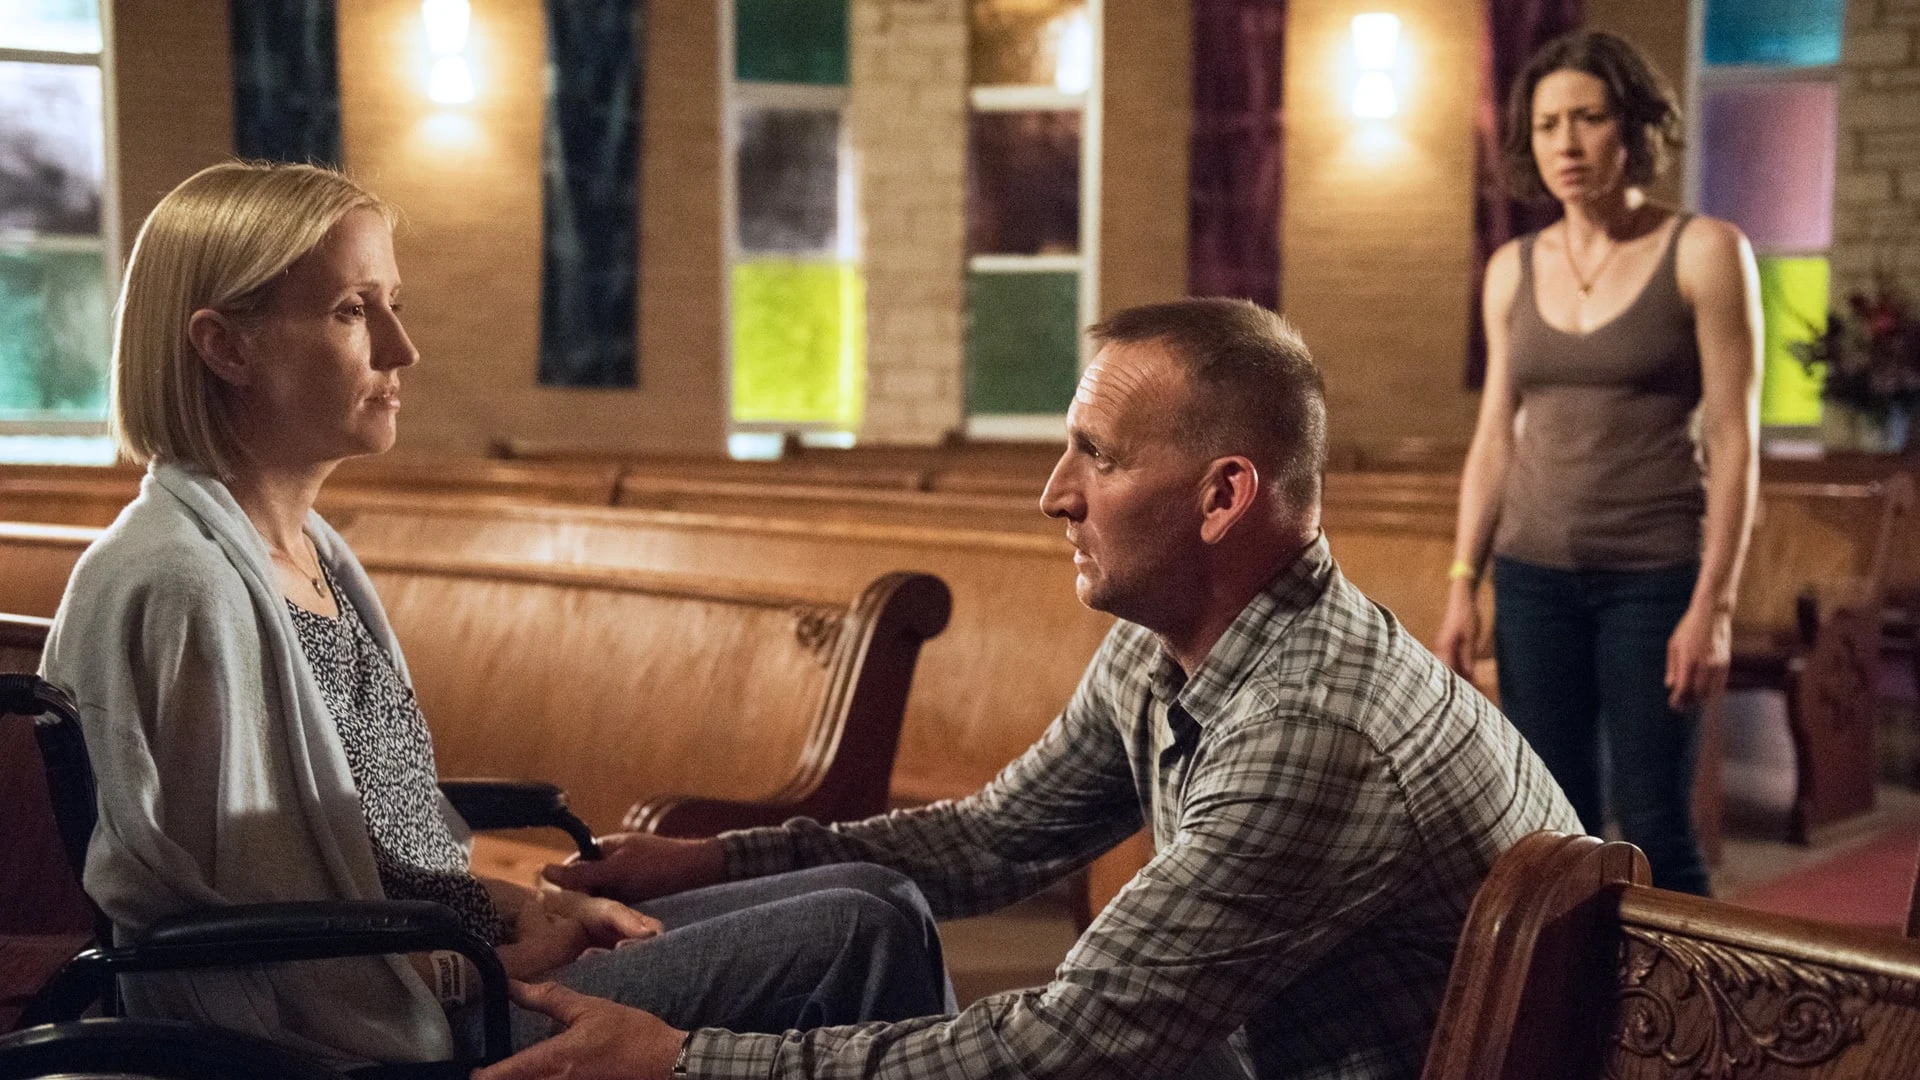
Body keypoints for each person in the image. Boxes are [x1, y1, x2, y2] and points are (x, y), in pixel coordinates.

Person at [474, 298, 1580, 1080]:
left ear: (1223, 496)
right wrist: (717, 859)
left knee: (845, 977)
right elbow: (994, 840)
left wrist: (683, 1060)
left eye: (1099, 456)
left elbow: (1068, 1047)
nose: (1056, 495)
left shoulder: (1314, 728)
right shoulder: (1168, 644)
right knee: (862, 928)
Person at [39, 162, 951, 1070]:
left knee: (883, 894)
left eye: (393, 304)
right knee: (858, 933)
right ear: (225, 348)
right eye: (353, 310)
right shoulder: (179, 585)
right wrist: (482, 966)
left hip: (447, 962)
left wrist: (528, 910)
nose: (402, 348)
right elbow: (250, 945)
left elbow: (384, 849)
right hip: (367, 1033)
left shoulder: (311, 552)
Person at [1433, 31, 1762, 896]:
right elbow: (1495, 435)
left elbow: (1734, 440)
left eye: (1588, 118)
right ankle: (1574, 988)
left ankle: (1689, 985)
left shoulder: (1705, 251)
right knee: (1552, 828)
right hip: (1532, 578)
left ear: (1634, 126)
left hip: (1653, 577)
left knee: (1656, 824)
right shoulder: (1511, 268)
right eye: (1547, 126)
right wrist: (1464, 581)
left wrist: (1715, 606)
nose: (1567, 144)